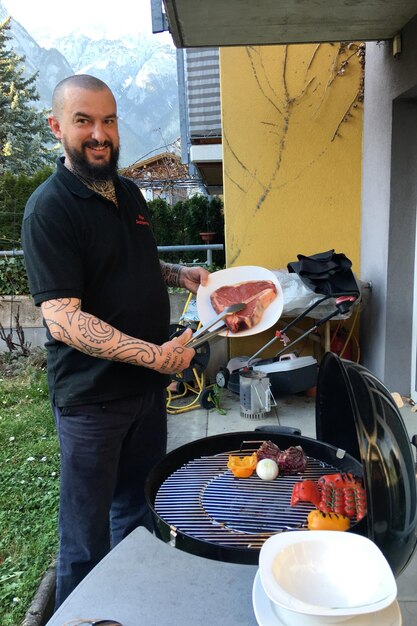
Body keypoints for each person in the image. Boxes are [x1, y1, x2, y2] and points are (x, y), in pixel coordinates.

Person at [21, 74, 210, 609]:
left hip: (146, 396)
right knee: (84, 538)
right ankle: (82, 617)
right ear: (58, 127)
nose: (99, 133)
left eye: (108, 120)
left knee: (137, 510)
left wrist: (177, 274)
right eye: (84, 121)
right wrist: (158, 356)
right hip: (92, 403)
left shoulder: (126, 191)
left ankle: (127, 611)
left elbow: (128, 263)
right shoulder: (49, 209)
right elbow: (62, 318)